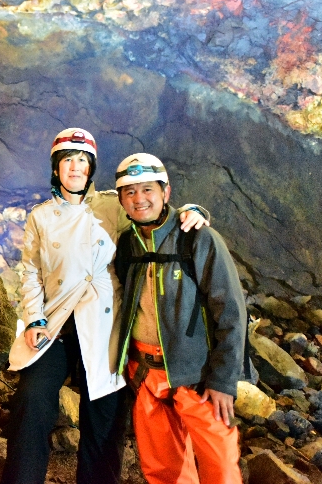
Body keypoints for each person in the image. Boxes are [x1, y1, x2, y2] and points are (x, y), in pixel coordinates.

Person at [1, 129, 210, 484]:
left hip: (103, 327)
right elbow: (31, 273)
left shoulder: (113, 205)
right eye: (68, 160)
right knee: (31, 401)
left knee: (104, 416)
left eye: (82, 160)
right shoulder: (41, 217)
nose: (75, 167)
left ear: (92, 167)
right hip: (57, 325)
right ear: (56, 168)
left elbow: (153, 216)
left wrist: (191, 211)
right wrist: (34, 318)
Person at [114, 153, 246, 484]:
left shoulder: (197, 237)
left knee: (221, 467)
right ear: (120, 199)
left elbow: (230, 310)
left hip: (196, 377)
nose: (139, 199)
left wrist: (223, 381)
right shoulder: (127, 244)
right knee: (163, 472)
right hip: (146, 375)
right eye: (130, 192)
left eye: (148, 189)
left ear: (166, 193)